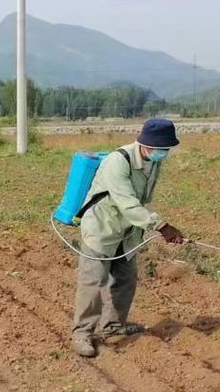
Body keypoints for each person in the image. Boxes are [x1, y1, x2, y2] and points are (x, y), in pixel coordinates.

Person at [71, 118, 185, 357]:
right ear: (145, 144)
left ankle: (113, 326)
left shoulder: (152, 162)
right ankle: (82, 334)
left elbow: (140, 200)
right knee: (93, 281)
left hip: (128, 230)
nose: (163, 153)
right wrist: (162, 226)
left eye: (166, 149)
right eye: (160, 149)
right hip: (102, 227)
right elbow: (127, 202)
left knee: (126, 278)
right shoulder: (117, 161)